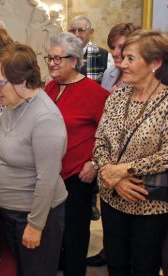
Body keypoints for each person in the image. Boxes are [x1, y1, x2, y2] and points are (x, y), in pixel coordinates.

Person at [94, 29, 168, 276]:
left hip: (149, 204)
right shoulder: (116, 97)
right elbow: (99, 142)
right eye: (123, 57)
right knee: (116, 265)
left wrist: (124, 170)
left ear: (155, 63)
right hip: (112, 197)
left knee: (144, 268)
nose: (122, 64)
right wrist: (112, 178)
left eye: (130, 59)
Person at [0, 43, 68, 276]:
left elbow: (47, 178)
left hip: (34, 215)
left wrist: (35, 225)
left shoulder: (45, 118)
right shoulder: (13, 105)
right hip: (12, 212)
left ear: (22, 81)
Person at [44, 32, 109, 276]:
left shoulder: (95, 93)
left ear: (75, 60)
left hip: (76, 176)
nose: (52, 63)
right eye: (49, 58)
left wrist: (94, 162)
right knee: (54, 233)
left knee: (74, 236)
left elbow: (109, 136)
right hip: (50, 174)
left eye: (58, 58)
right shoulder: (50, 86)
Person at [86, 22, 141, 268]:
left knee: (139, 252)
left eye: (123, 48)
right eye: (113, 48)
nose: (117, 53)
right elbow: (103, 129)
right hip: (109, 173)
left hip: (136, 179)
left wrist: (121, 173)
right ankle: (110, 251)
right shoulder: (110, 75)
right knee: (116, 238)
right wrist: (106, 167)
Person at [68, 16, 111, 84]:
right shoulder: (63, 54)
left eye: (81, 30)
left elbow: (108, 85)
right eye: (72, 31)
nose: (76, 35)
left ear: (91, 32)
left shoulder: (104, 56)